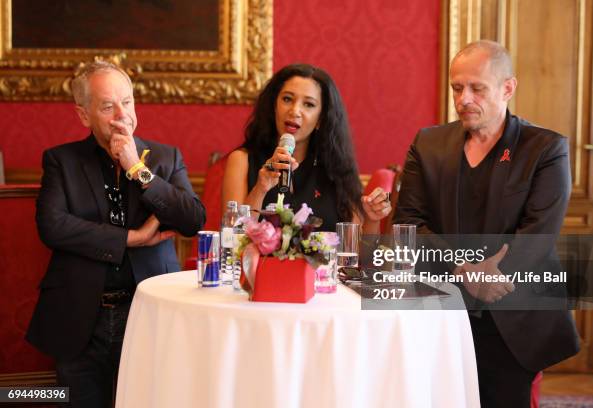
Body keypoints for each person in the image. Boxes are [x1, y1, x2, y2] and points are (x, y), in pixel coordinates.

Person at [393, 40, 579, 407]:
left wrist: (490, 278)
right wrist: (464, 270)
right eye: (457, 88)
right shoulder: (428, 144)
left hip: (512, 313)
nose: (464, 98)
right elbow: (409, 224)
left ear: (507, 88)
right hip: (441, 307)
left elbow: (537, 237)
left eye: (477, 88)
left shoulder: (544, 148)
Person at [26, 61, 205, 408]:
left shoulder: (166, 158)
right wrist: (131, 239)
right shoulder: (61, 161)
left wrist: (137, 169)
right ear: (84, 115)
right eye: (107, 106)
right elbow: (53, 225)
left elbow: (192, 220)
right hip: (80, 318)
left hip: (150, 311)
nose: (121, 114)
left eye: (127, 102)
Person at [222, 63, 390, 233]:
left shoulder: (336, 168)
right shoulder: (242, 160)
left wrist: (372, 220)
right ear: (274, 106)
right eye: (287, 99)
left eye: (308, 104)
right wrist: (261, 188)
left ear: (320, 119)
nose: (295, 111)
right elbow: (233, 238)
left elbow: (360, 253)